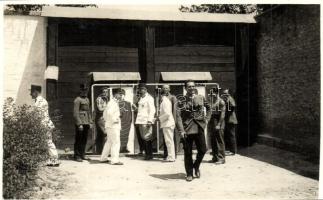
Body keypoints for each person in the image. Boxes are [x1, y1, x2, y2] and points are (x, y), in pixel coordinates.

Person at [176, 80, 211, 182]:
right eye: (189, 87)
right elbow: (178, 116)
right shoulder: (181, 101)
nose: (191, 88)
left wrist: (207, 119)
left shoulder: (200, 97)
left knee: (203, 149)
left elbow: (209, 108)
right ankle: (189, 173)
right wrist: (181, 130)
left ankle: (196, 166)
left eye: (193, 86)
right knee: (188, 152)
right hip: (187, 128)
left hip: (199, 126)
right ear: (185, 88)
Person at [30, 85, 60, 167]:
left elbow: (37, 115)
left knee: (48, 142)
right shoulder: (39, 100)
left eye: (31, 92)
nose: (30, 94)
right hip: (44, 124)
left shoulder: (40, 101)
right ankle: (49, 159)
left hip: (44, 124)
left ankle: (54, 160)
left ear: (36, 92)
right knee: (46, 142)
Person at [100, 88, 123, 165]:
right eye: (119, 94)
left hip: (109, 125)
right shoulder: (112, 103)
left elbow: (104, 114)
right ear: (115, 94)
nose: (121, 96)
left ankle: (103, 158)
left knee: (109, 142)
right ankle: (114, 160)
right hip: (113, 126)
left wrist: (108, 121)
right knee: (116, 142)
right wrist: (114, 120)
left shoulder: (112, 102)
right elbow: (109, 113)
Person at [135, 83, 156, 160]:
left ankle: (149, 154)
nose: (140, 90)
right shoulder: (141, 98)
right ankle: (147, 154)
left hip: (146, 121)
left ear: (145, 90)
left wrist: (150, 121)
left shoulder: (149, 98)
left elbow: (152, 110)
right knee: (143, 137)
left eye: (142, 89)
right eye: (140, 89)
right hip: (140, 121)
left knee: (147, 137)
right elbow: (141, 110)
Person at [73, 83, 93, 162]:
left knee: (84, 139)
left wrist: (90, 122)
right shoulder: (77, 100)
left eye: (86, 90)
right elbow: (75, 113)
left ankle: (82, 154)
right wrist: (79, 124)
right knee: (79, 139)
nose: (85, 92)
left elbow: (88, 112)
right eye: (83, 90)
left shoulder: (87, 99)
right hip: (80, 123)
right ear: (80, 90)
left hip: (86, 122)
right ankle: (77, 155)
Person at [208, 86, 226, 164]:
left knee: (219, 140)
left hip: (219, 121)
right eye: (211, 93)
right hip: (212, 121)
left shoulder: (221, 102)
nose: (212, 95)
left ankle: (221, 158)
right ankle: (215, 157)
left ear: (217, 93)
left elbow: (222, 114)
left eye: (214, 93)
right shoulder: (212, 101)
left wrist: (219, 124)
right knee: (213, 140)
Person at [159, 85, 176, 162]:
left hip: (168, 122)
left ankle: (171, 157)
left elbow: (167, 114)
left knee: (169, 141)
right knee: (168, 140)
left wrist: (159, 119)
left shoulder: (165, 101)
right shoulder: (164, 101)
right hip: (167, 122)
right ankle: (170, 156)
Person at [222, 89, 238, 156]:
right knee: (229, 135)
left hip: (231, 120)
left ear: (229, 94)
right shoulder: (227, 99)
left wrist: (228, 112)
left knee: (232, 135)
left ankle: (233, 151)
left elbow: (233, 105)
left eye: (226, 93)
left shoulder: (230, 99)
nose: (225, 95)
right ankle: (231, 150)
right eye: (224, 93)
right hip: (229, 120)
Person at [95, 87, 109, 154]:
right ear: (101, 92)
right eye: (104, 92)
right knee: (105, 134)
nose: (105, 93)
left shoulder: (106, 98)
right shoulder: (99, 99)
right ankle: (103, 152)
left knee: (101, 134)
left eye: (106, 92)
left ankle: (100, 151)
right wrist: (108, 108)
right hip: (100, 118)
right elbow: (100, 109)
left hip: (105, 118)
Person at [118, 89, 133, 153]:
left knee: (126, 135)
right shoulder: (115, 103)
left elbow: (130, 113)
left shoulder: (128, 103)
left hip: (127, 122)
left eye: (122, 95)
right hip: (119, 122)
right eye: (120, 94)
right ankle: (119, 148)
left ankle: (124, 147)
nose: (121, 96)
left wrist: (130, 121)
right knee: (119, 135)